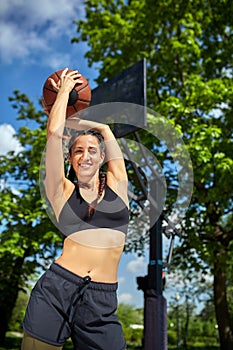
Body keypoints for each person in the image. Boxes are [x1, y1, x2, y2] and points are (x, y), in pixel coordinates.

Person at [21, 68, 129, 350]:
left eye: (93, 150)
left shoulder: (118, 184)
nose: (86, 155)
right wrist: (63, 96)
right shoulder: (61, 190)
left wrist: (88, 122)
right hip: (57, 289)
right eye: (78, 151)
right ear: (69, 159)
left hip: (102, 301)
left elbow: (104, 130)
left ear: (103, 156)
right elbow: (55, 134)